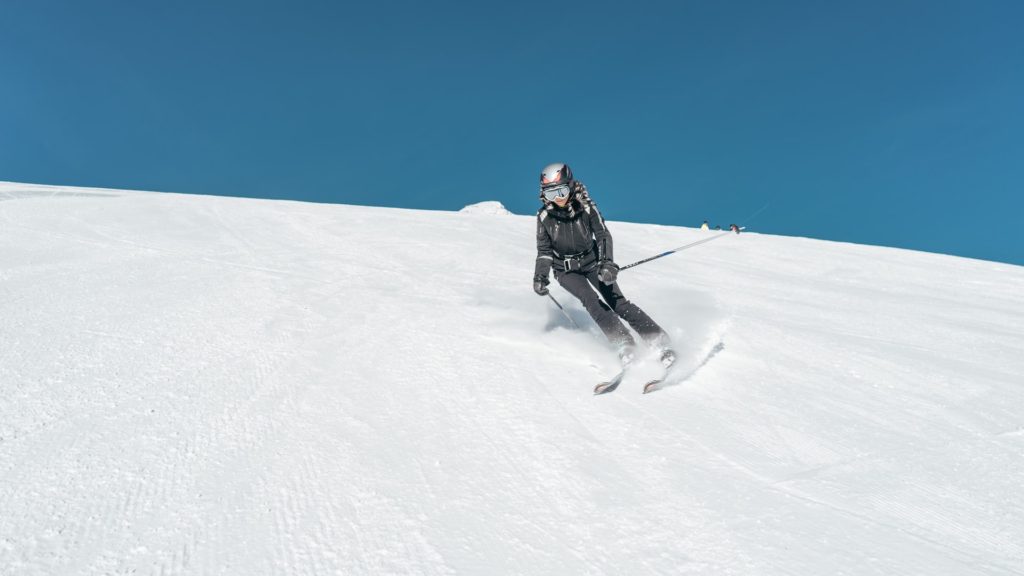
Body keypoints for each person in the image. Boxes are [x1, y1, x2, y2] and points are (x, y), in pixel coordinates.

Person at [532, 162, 675, 368]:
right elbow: (544, 251)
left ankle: (658, 340)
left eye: (561, 191)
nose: (558, 198)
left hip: (592, 262)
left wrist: (606, 263)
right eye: (551, 194)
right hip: (566, 270)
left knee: (617, 302)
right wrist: (540, 277)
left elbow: (602, 235)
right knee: (590, 300)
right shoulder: (544, 216)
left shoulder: (586, 206)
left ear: (570, 186)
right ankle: (624, 344)